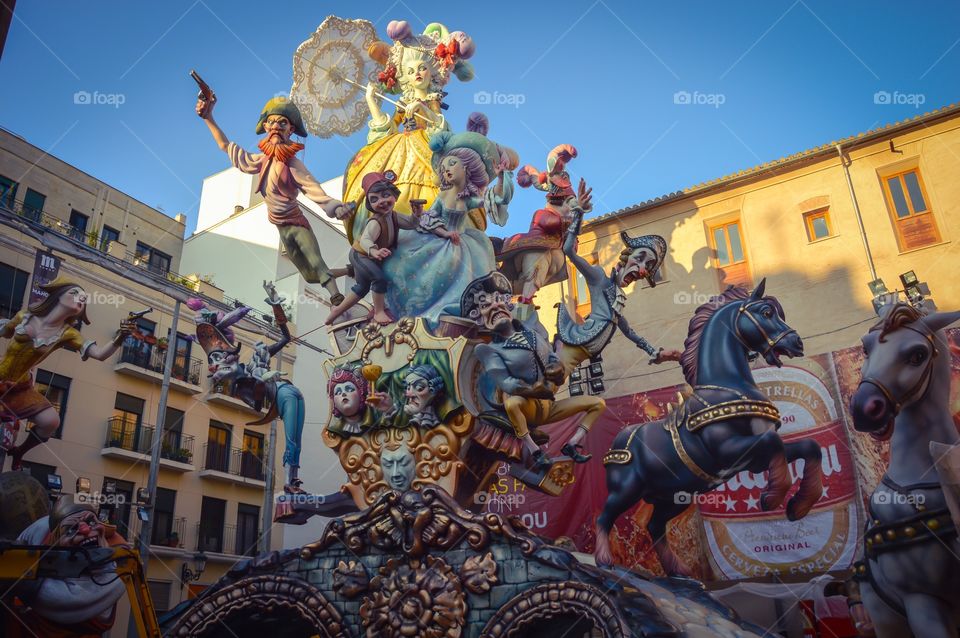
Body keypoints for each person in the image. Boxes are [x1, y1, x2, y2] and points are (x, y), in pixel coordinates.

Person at [195, 93, 353, 304]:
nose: (276, 126)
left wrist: (336, 207)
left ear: (291, 129)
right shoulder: (260, 161)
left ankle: (336, 296)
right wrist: (208, 117)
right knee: (310, 275)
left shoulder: (293, 165)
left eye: (282, 122)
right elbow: (225, 146)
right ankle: (351, 271)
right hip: (280, 227)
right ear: (266, 127)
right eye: (271, 121)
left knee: (316, 261)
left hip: (296, 222)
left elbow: (314, 190)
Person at [342, 20, 476, 241]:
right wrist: (372, 102)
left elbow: (442, 133)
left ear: (432, 73)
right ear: (403, 74)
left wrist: (427, 113)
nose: (417, 74)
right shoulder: (402, 103)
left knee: (441, 183)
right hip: (398, 148)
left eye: (422, 68)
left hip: (427, 148)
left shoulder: (432, 99)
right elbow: (384, 133)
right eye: (411, 70)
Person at [463, 272, 606, 470]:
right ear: (479, 319)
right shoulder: (489, 350)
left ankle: (572, 444)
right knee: (512, 403)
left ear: (507, 305)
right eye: (486, 306)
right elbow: (505, 382)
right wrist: (530, 390)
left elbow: (551, 356)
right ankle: (535, 451)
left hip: (549, 406)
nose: (495, 306)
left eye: (497, 301)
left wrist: (557, 366)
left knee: (597, 403)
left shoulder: (531, 331)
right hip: (527, 406)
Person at [1, 279, 134, 469]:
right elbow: (5, 331)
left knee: (51, 421)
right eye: (74, 293)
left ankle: (20, 452)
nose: (80, 298)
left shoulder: (68, 334)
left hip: (19, 387)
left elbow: (100, 354)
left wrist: (121, 336)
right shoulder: (25, 316)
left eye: (84, 298)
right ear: (58, 295)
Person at [383, 130, 501, 322]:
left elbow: (492, 201)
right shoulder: (442, 196)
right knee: (410, 265)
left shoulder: (469, 198)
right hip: (438, 239)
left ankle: (458, 312)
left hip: (463, 245)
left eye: (452, 164)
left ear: (467, 167)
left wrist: (503, 177)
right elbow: (428, 218)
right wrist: (444, 233)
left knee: (467, 277)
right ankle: (421, 316)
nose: (447, 170)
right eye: (444, 168)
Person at [555, 211, 682, 378]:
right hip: (574, 346)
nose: (643, 269)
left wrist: (654, 352)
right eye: (641, 258)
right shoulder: (598, 278)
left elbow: (628, 332)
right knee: (551, 378)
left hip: (580, 357)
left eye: (648, 266)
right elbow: (569, 251)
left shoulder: (616, 303)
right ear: (627, 256)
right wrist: (578, 213)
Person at [326, 170, 444, 326]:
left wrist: (417, 214)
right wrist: (374, 251)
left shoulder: (394, 215)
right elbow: (365, 240)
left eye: (385, 195)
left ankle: (337, 311)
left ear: (394, 196)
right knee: (379, 278)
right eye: (374, 199)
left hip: (369, 256)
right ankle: (379, 312)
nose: (381, 201)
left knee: (361, 289)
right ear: (370, 205)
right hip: (360, 255)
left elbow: (411, 224)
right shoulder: (375, 221)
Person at [6, 497, 128, 637]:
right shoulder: (39, 537)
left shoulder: (119, 565)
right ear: (56, 541)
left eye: (91, 522)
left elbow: (72, 601)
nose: (85, 530)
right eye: (71, 529)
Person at [497, 145, 588, 304]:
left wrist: (579, 213)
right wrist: (575, 214)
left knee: (539, 273)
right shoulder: (542, 214)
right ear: (559, 201)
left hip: (555, 258)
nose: (571, 208)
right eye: (570, 203)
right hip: (538, 251)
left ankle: (523, 299)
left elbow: (573, 237)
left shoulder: (565, 232)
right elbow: (552, 223)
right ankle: (525, 303)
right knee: (537, 267)